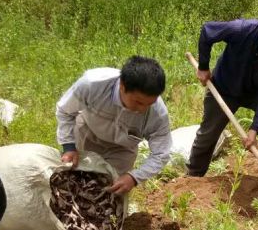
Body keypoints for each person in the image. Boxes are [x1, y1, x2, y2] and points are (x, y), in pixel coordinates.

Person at [186, 3, 258, 181]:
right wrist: (203, 66)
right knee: (208, 133)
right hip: (224, 89)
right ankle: (193, 176)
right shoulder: (242, 30)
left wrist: (254, 129)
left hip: (256, 94)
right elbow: (207, 31)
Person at [56, 55, 173, 195]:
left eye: (149, 104)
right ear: (122, 86)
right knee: (76, 185)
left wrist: (133, 178)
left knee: (107, 193)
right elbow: (65, 111)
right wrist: (69, 146)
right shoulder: (92, 85)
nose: (142, 109)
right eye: (138, 102)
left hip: (122, 149)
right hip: (87, 134)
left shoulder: (158, 114)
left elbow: (161, 154)